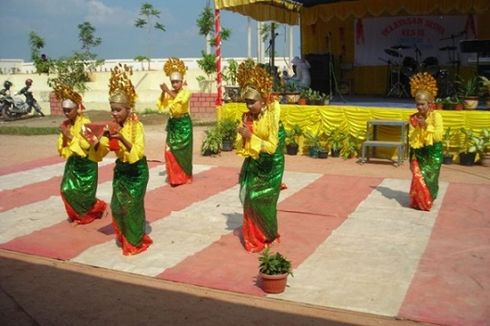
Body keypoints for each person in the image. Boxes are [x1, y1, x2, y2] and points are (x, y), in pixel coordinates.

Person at [99, 64, 153, 255]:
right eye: (112, 110)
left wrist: (122, 138)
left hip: (137, 172)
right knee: (117, 206)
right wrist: (96, 139)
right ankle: (126, 237)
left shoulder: (136, 126)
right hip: (121, 171)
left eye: (118, 110)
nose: (115, 113)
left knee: (131, 206)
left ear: (128, 109)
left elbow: (137, 151)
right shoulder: (111, 126)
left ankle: (135, 241)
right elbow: (101, 151)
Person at [235, 63, 285, 253]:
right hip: (254, 160)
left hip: (272, 162)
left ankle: (269, 234)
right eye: (246, 102)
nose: (248, 106)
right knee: (248, 197)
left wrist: (250, 136)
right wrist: (241, 135)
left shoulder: (273, 111)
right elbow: (242, 147)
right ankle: (253, 237)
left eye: (252, 102)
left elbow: (271, 147)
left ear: (263, 100)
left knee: (262, 199)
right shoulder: (247, 116)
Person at [56, 83, 107, 224]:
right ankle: (80, 214)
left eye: (69, 110)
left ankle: (92, 212)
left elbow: (86, 144)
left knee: (85, 195)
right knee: (66, 189)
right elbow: (63, 146)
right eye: (64, 110)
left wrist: (69, 136)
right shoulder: (67, 124)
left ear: (77, 108)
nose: (66, 113)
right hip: (73, 162)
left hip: (87, 163)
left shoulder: (85, 122)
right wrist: (65, 136)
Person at [408, 72, 443, 211]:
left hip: (433, 152)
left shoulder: (436, 116)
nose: (420, 107)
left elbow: (438, 136)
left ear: (430, 103)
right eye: (417, 104)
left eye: (422, 104)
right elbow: (412, 137)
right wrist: (418, 127)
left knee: (430, 179)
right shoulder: (413, 118)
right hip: (418, 151)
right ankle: (418, 201)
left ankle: (426, 201)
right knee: (417, 175)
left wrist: (426, 126)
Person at [157, 57, 193, 187]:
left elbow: (180, 101)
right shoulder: (169, 92)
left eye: (177, 82)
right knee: (169, 151)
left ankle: (184, 177)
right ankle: (174, 178)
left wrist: (167, 91)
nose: (174, 85)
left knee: (183, 153)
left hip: (184, 125)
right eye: (173, 82)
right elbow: (161, 105)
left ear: (182, 81)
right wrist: (163, 92)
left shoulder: (186, 92)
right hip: (173, 125)